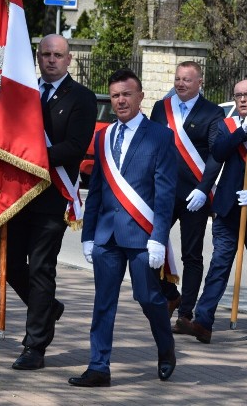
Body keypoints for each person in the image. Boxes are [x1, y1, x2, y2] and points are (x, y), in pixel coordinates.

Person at [69, 69, 178, 387]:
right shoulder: (102, 137)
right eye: (115, 95)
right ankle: (98, 367)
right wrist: (89, 235)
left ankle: (166, 346)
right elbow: (98, 191)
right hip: (106, 236)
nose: (120, 100)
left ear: (140, 97)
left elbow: (165, 193)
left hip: (142, 237)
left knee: (149, 298)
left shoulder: (160, 136)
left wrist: (159, 237)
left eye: (126, 94)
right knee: (103, 302)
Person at [0, 34, 97, 371]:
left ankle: (35, 346)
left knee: (41, 268)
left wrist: (29, 157)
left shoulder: (81, 98)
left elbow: (74, 145)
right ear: (37, 58)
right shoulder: (23, 93)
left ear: (69, 59)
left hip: (52, 195)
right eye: (45, 54)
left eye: (58, 55)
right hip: (16, 195)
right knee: (7, 264)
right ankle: (48, 308)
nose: (51, 60)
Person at [189, 79, 247, 344]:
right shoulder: (226, 126)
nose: (243, 100)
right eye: (238, 95)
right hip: (228, 208)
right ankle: (203, 320)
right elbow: (218, 152)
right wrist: (242, 131)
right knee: (219, 265)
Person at [150, 60, 223, 333]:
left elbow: (216, 155)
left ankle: (185, 312)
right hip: (163, 193)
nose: (181, 84)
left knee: (191, 255)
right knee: (147, 246)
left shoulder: (212, 112)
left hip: (194, 196)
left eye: (187, 80)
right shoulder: (161, 108)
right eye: (178, 78)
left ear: (199, 82)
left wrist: (204, 189)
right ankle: (170, 293)